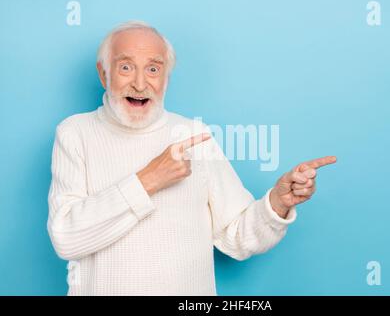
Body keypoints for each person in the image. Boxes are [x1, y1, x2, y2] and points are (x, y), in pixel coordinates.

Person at [47, 20, 337, 295]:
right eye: (125, 67)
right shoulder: (75, 133)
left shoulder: (193, 135)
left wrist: (278, 203)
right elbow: (65, 238)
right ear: (103, 74)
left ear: (165, 78)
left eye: (152, 69)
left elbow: (236, 235)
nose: (139, 83)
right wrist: (148, 180)